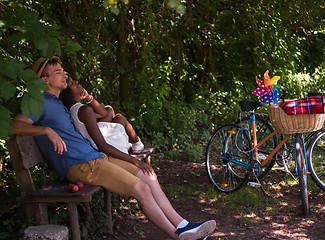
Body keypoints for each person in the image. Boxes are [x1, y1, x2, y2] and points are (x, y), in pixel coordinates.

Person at [10, 56, 216, 240]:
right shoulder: (37, 102)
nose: (65, 74)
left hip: (95, 158)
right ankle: (179, 236)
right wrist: (46, 130)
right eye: (58, 72)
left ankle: (183, 225)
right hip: (80, 164)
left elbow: (102, 115)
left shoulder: (57, 102)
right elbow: (13, 125)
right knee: (142, 189)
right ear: (44, 80)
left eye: (63, 71)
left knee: (148, 176)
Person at [60, 76, 143, 155]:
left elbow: (103, 114)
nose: (76, 81)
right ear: (68, 94)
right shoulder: (84, 110)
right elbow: (102, 144)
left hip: (97, 139)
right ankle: (137, 144)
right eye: (72, 84)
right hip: (106, 145)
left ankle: (133, 143)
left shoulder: (74, 109)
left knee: (109, 110)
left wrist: (88, 98)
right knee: (120, 118)